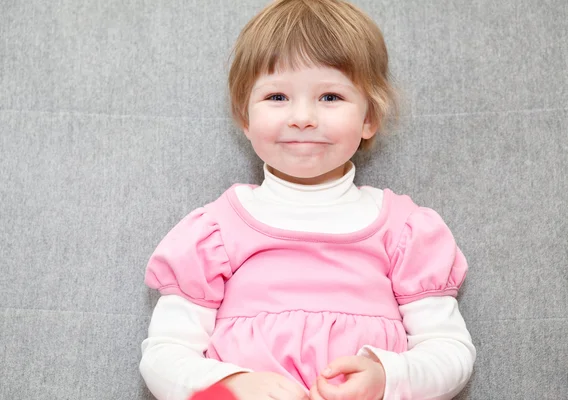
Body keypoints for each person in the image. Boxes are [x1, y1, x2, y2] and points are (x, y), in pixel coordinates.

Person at [139, 0, 476, 399]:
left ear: (370, 118)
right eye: (277, 97)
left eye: (330, 97)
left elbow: (450, 351)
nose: (302, 117)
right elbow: (164, 353)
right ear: (245, 117)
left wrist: (387, 378)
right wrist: (231, 384)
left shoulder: (404, 230)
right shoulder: (214, 232)